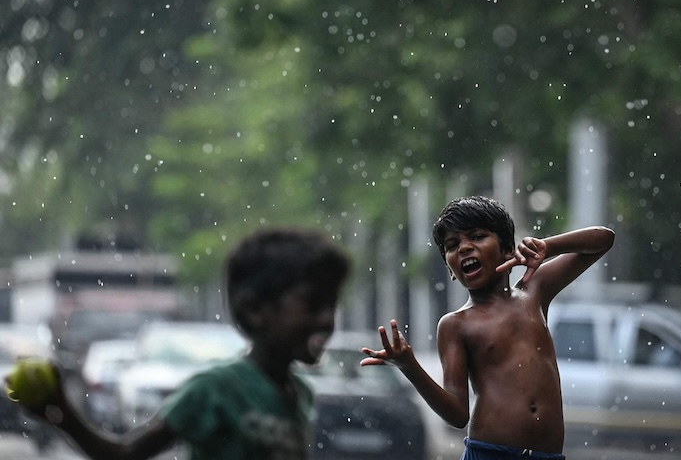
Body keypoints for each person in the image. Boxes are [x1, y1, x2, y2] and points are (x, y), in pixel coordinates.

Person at [7, 227, 351, 460]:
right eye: (313, 305)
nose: (326, 320)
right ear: (256, 310)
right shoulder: (216, 389)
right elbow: (127, 454)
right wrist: (63, 415)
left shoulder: (300, 394)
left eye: (331, 306)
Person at [361, 195, 614, 460]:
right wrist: (410, 367)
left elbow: (603, 239)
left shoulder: (534, 292)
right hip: (489, 453)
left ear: (508, 249)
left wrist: (547, 246)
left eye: (477, 236)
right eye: (452, 245)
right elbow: (457, 415)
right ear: (449, 269)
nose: (464, 248)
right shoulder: (456, 324)